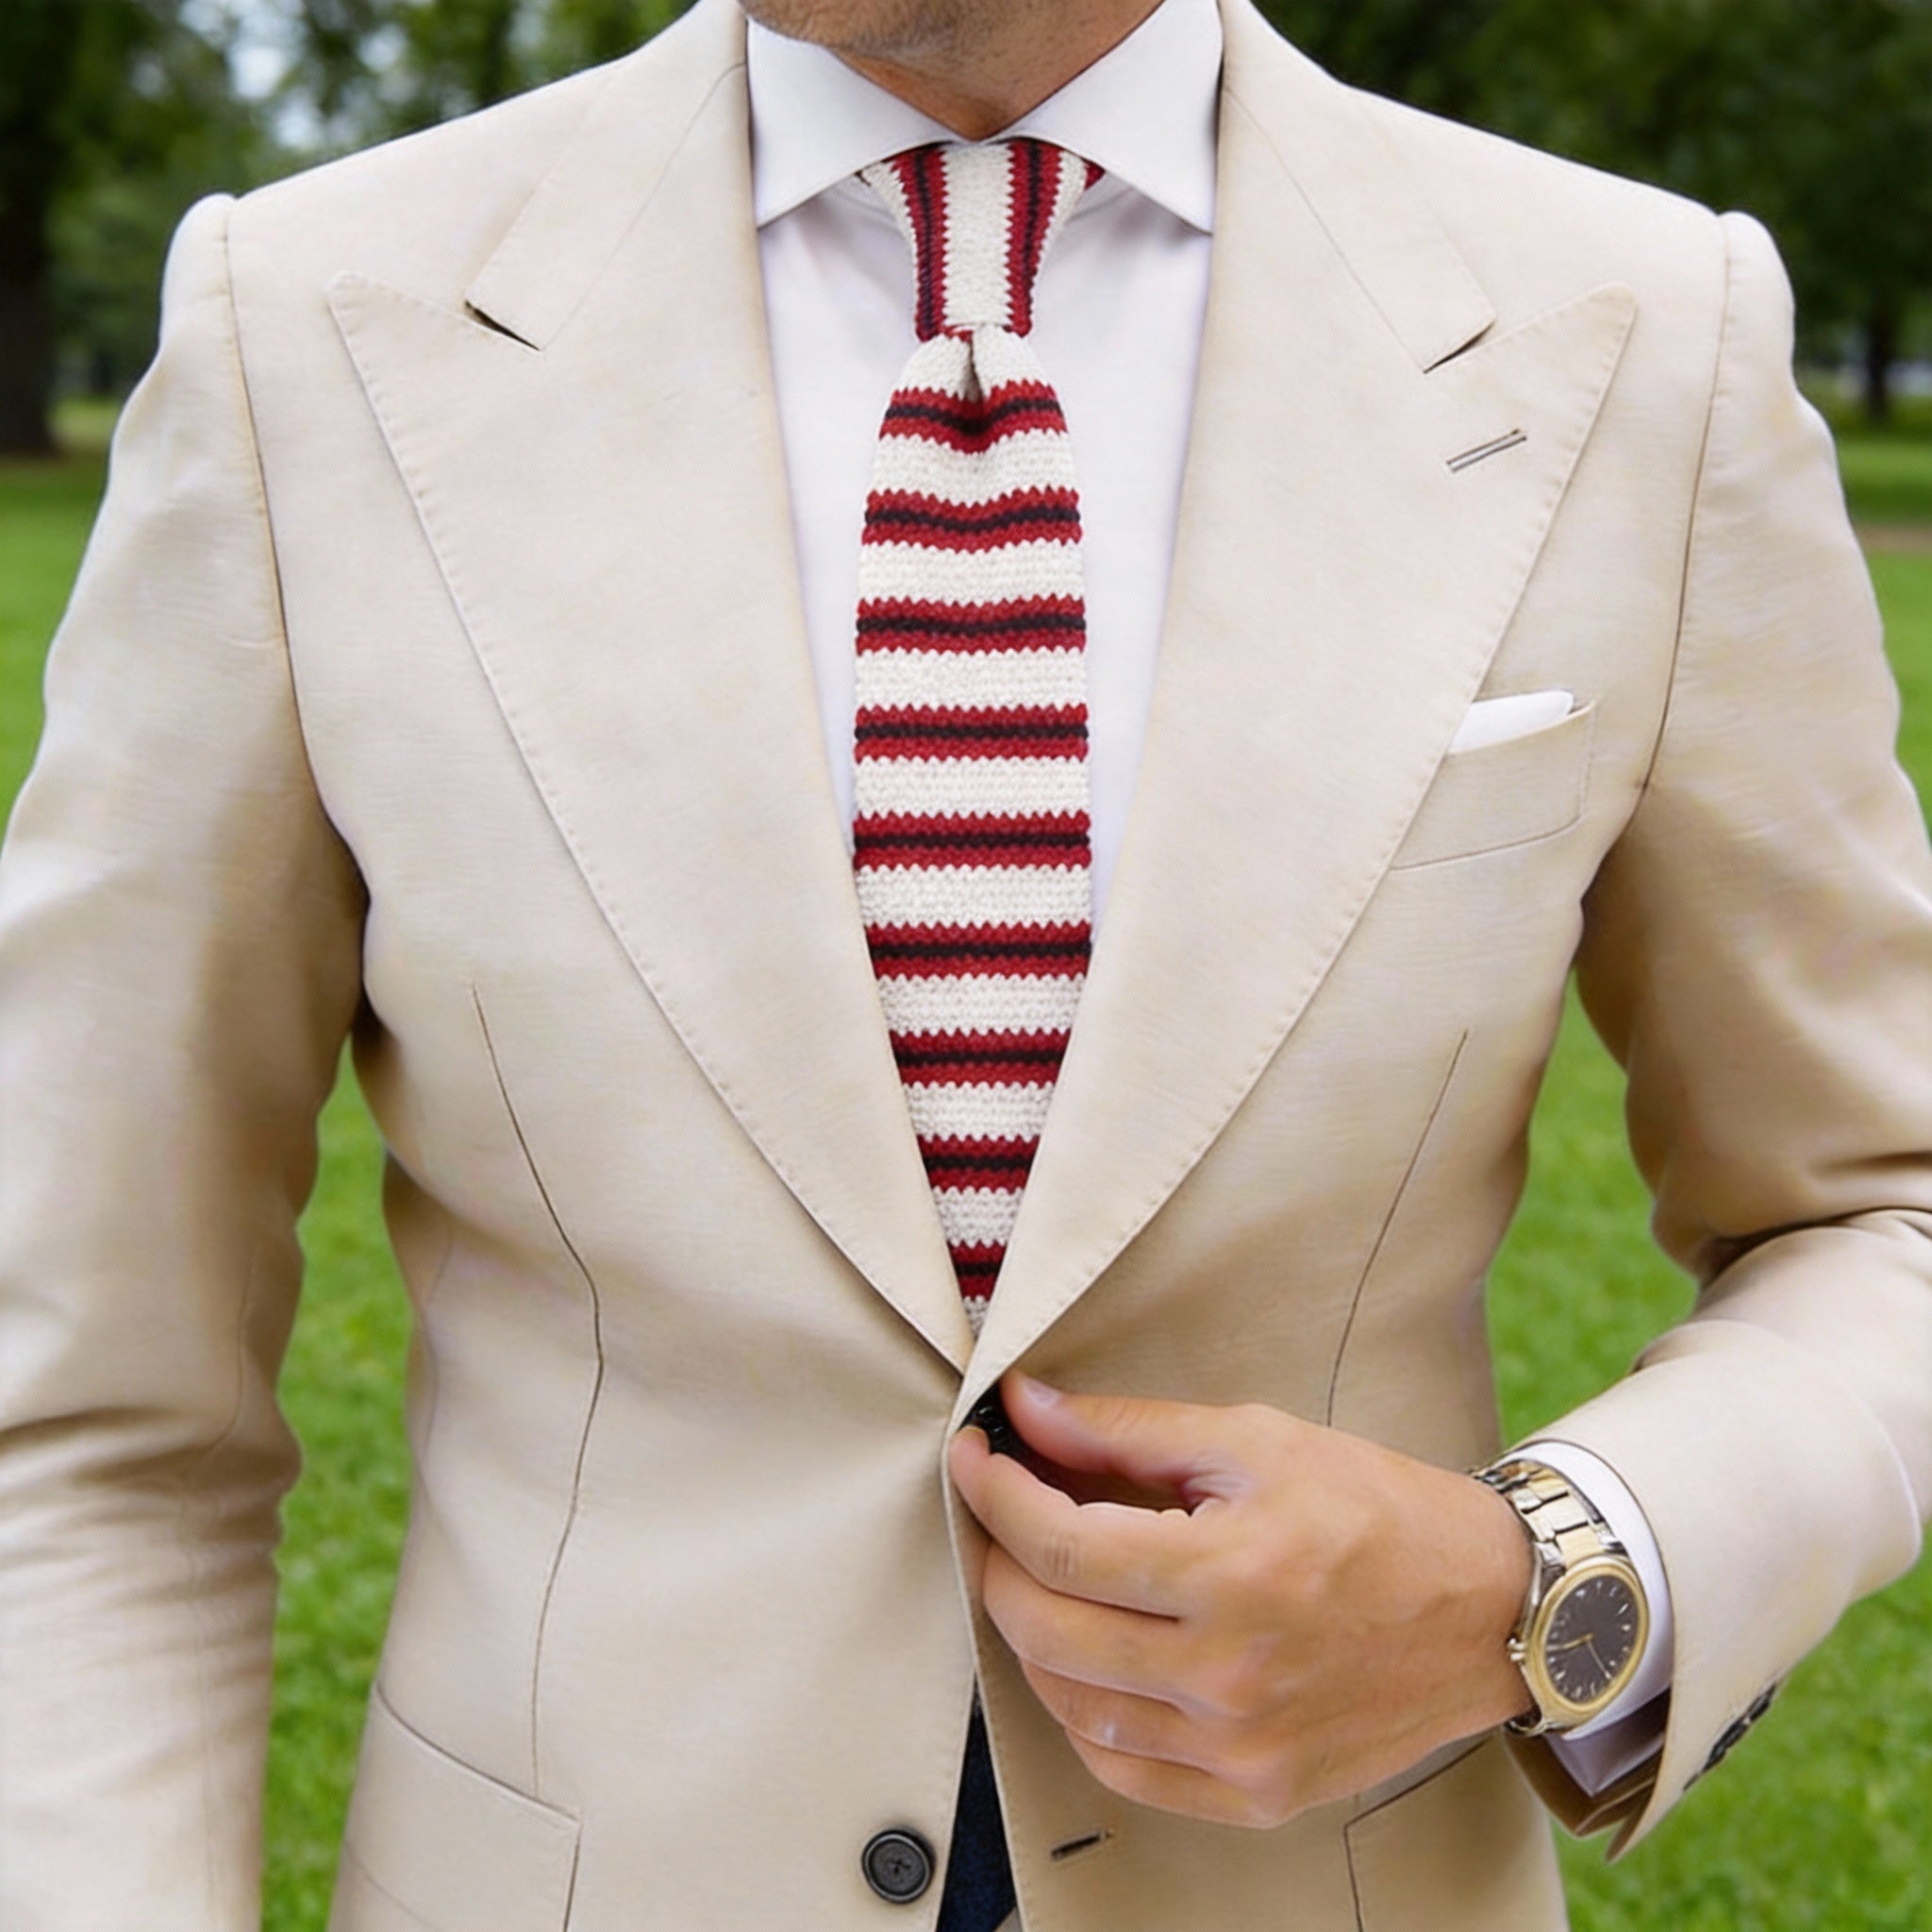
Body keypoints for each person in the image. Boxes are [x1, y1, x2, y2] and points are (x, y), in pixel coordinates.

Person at [1, 0, 1928, 1924]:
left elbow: (1882, 1206)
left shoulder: (1642, 335)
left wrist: (1546, 1584)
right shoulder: (308, 328)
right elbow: (84, 1409)